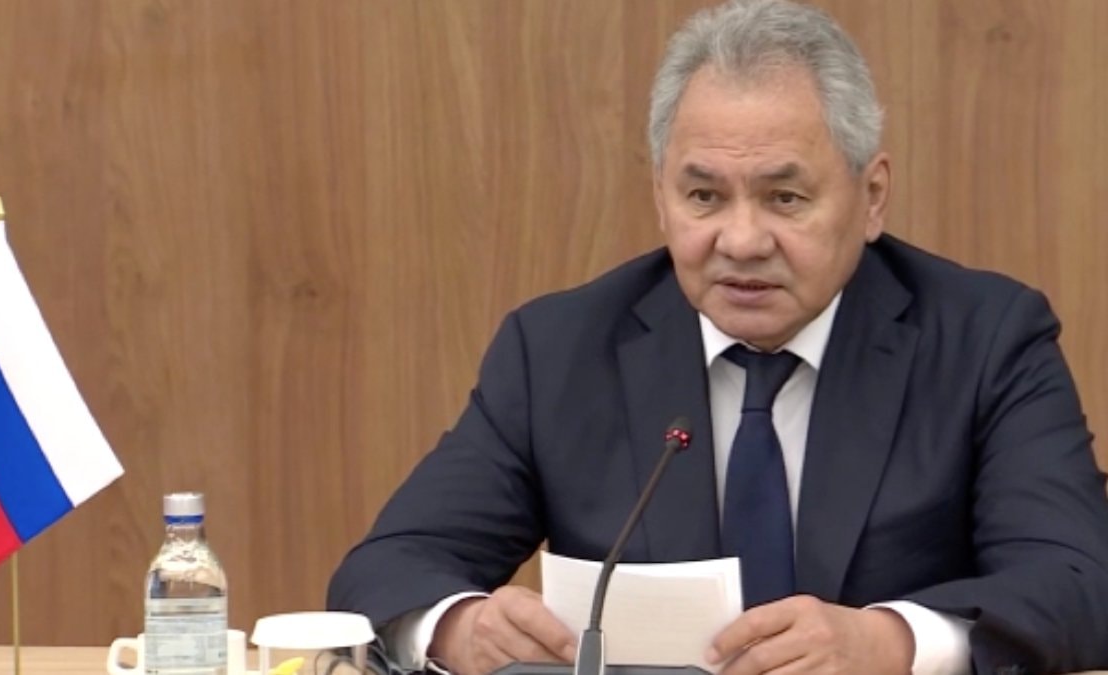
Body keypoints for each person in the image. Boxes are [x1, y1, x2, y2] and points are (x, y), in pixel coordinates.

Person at [327, 0, 1108, 673]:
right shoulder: (559, 350)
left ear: (871, 196)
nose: (741, 240)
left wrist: (890, 642)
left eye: (785, 197)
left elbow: (1079, 580)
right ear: (661, 195)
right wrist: (460, 627)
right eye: (703, 196)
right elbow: (388, 566)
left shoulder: (984, 341)